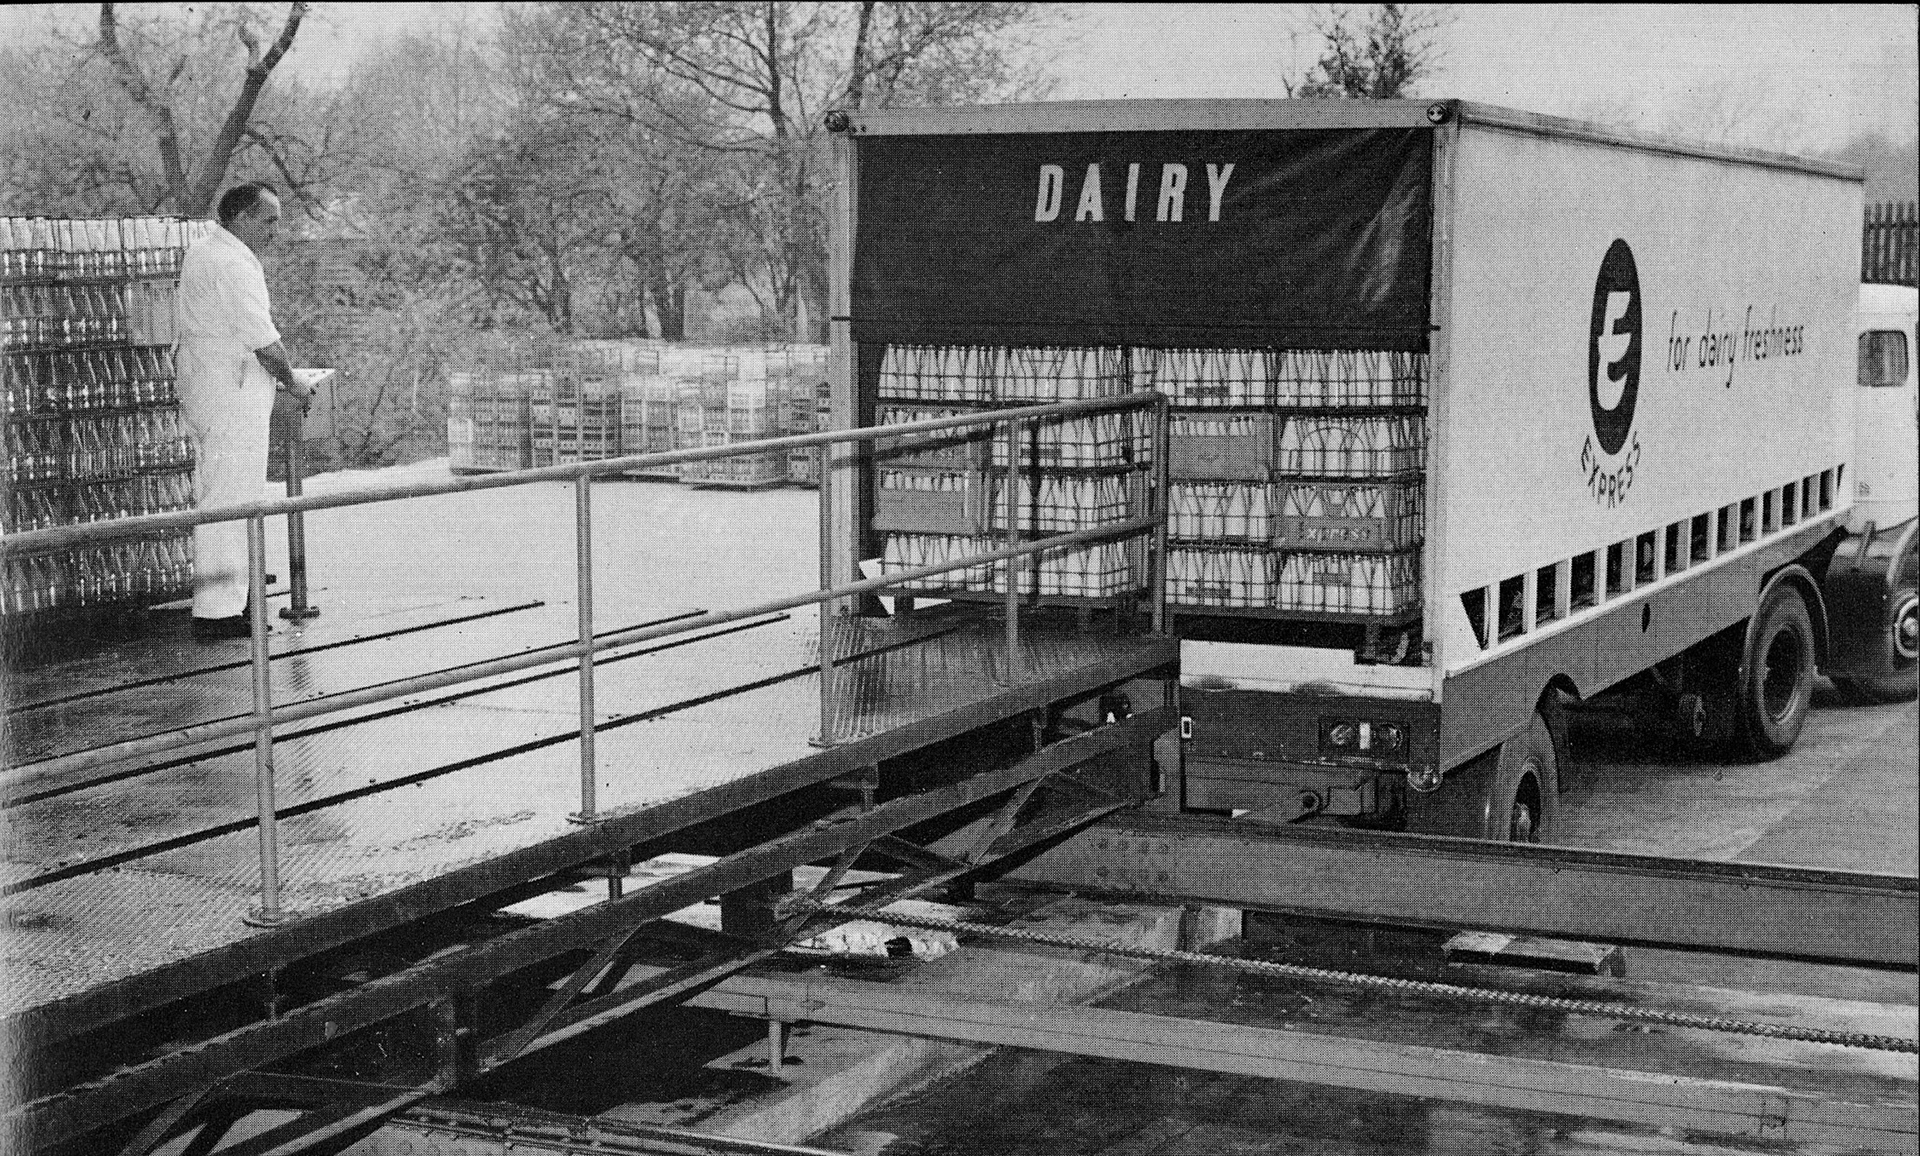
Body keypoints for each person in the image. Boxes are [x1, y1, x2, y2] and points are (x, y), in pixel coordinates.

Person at [175, 181, 310, 640]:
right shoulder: (232, 263)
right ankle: (219, 611)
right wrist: (294, 380)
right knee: (231, 495)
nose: (276, 229)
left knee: (221, 489)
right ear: (243, 217)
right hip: (231, 389)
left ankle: (231, 596)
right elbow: (264, 340)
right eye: (269, 220)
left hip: (209, 382)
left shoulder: (205, 250)